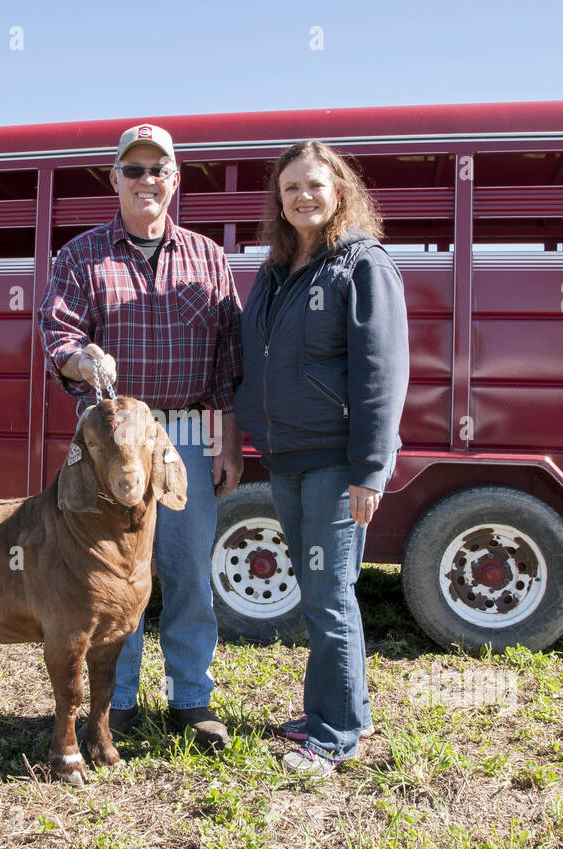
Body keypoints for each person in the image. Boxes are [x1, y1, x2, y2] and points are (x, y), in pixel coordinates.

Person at [37, 122, 244, 750]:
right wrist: (80, 359)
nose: (146, 180)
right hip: (106, 445)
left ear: (175, 180)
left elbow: (229, 359)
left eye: (158, 170)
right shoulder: (81, 255)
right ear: (115, 180)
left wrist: (228, 442)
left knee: (184, 572)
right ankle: (113, 701)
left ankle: (192, 698)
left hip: (182, 436)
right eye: (134, 170)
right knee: (107, 576)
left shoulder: (209, 256)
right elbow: (57, 334)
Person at [233, 140, 409, 777]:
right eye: (290, 189)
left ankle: (334, 737)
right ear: (278, 202)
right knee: (318, 592)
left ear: (339, 190)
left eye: (314, 184)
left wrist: (370, 470)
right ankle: (341, 712)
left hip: (336, 463)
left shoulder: (361, 265)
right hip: (285, 457)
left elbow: (381, 373)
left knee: (330, 597)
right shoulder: (276, 270)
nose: (302, 197)